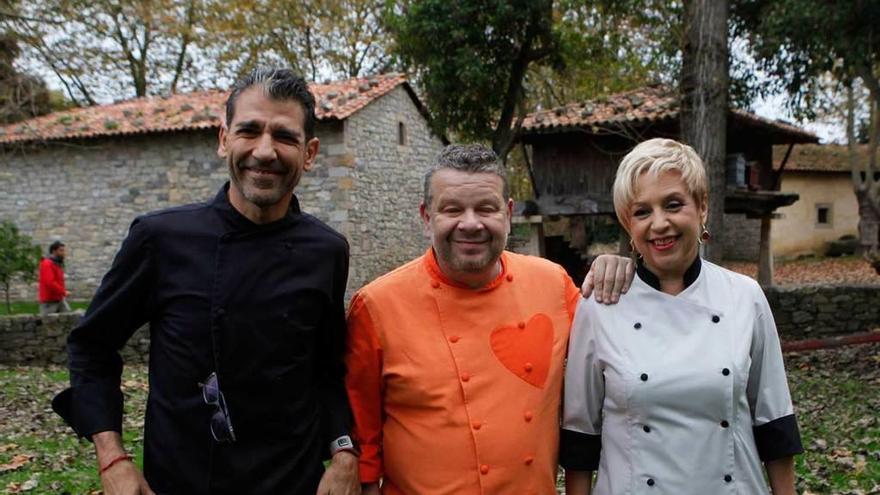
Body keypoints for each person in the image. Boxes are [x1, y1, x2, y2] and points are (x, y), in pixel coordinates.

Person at [52, 68, 360, 495]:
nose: (265, 151)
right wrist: (113, 457)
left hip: (292, 478)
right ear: (223, 140)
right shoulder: (161, 238)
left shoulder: (326, 250)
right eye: (249, 131)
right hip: (185, 477)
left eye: (285, 137)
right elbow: (91, 346)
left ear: (309, 153)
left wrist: (344, 452)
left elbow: (326, 369)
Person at [344, 144, 634, 495]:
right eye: (452, 209)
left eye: (486, 208)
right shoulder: (376, 306)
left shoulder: (553, 285)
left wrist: (625, 266)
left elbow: (619, 354)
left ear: (508, 214)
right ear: (426, 217)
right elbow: (364, 437)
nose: (470, 223)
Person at [561, 138, 803, 495]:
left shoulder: (744, 296)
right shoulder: (599, 306)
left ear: (702, 206)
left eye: (673, 205)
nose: (659, 224)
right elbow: (581, 436)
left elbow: (774, 423)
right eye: (642, 212)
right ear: (629, 224)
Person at [39, 240, 71, 315]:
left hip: (59, 299)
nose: (64, 253)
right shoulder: (47, 264)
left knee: (69, 319)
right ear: (54, 251)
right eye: (61, 251)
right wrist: (63, 292)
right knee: (49, 323)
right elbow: (50, 282)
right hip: (49, 301)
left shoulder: (57, 264)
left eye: (63, 251)